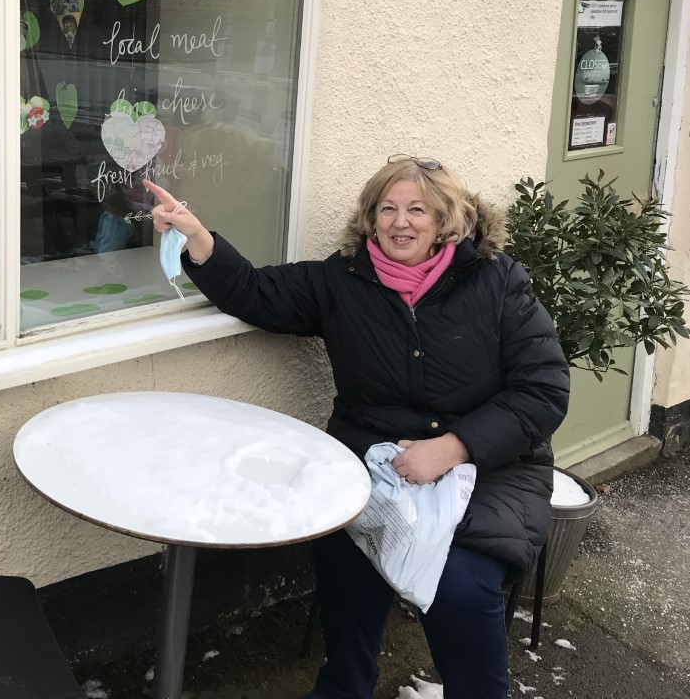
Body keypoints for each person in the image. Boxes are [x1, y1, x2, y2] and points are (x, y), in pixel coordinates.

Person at [143, 157, 569, 699]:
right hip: (374, 459)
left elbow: (544, 390)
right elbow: (255, 292)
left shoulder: (497, 280)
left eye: (418, 209)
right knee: (348, 556)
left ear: (445, 220)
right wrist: (196, 236)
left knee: (461, 584)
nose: (401, 222)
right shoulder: (341, 280)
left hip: (492, 465)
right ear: (370, 219)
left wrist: (453, 447)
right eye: (386, 209)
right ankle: (345, 685)